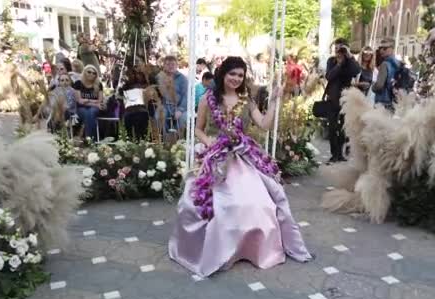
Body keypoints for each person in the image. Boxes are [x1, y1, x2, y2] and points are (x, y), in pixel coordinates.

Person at [168, 56, 313, 277]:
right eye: (232, 74)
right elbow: (198, 129)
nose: (236, 79)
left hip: (243, 156)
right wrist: (211, 143)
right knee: (214, 205)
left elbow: (264, 125)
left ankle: (250, 248)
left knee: (258, 203)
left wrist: (274, 102)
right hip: (216, 156)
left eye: (240, 75)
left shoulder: (247, 101)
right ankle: (216, 249)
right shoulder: (208, 99)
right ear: (223, 74)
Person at [325, 38, 361, 163]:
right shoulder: (332, 61)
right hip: (332, 98)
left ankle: (341, 153)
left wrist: (349, 56)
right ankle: (334, 154)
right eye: (336, 48)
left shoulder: (349, 62)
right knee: (332, 128)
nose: (337, 50)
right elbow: (329, 76)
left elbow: (357, 71)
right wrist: (339, 64)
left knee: (343, 127)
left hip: (346, 99)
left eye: (340, 48)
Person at [155, 55, 188, 133]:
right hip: (164, 106)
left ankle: (178, 140)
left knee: (183, 119)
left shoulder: (182, 79)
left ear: (177, 65)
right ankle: (164, 139)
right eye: (168, 64)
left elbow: (186, 96)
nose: (170, 66)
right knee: (158, 116)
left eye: (173, 64)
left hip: (179, 107)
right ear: (164, 66)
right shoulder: (159, 77)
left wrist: (180, 110)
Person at [73, 65, 104, 141]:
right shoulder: (78, 83)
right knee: (88, 113)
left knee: (90, 112)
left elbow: (100, 101)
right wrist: (94, 102)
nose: (91, 74)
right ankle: (92, 140)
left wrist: (86, 100)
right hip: (81, 108)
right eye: (89, 72)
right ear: (84, 72)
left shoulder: (99, 85)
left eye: (94, 73)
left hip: (94, 108)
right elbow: (79, 101)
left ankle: (89, 139)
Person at [121, 68, 150, 140]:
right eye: (129, 75)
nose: (131, 76)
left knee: (140, 120)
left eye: (133, 74)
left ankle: (140, 140)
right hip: (129, 111)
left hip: (141, 110)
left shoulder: (144, 86)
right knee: (129, 122)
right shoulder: (124, 88)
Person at [372, 38, 399, 110]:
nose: (381, 50)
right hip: (394, 102)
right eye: (380, 48)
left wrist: (373, 87)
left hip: (382, 102)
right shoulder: (398, 64)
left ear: (392, 48)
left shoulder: (385, 64)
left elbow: (379, 85)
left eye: (385, 48)